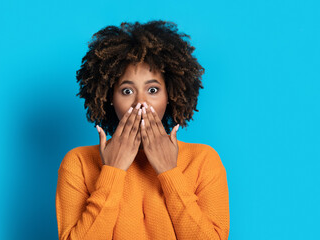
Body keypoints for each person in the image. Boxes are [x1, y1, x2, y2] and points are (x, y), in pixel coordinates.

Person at [55, 20, 229, 240]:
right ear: (110, 98)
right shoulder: (78, 163)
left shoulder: (203, 160)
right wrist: (113, 171)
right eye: (127, 91)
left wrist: (169, 172)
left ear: (170, 96)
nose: (141, 103)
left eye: (153, 89)